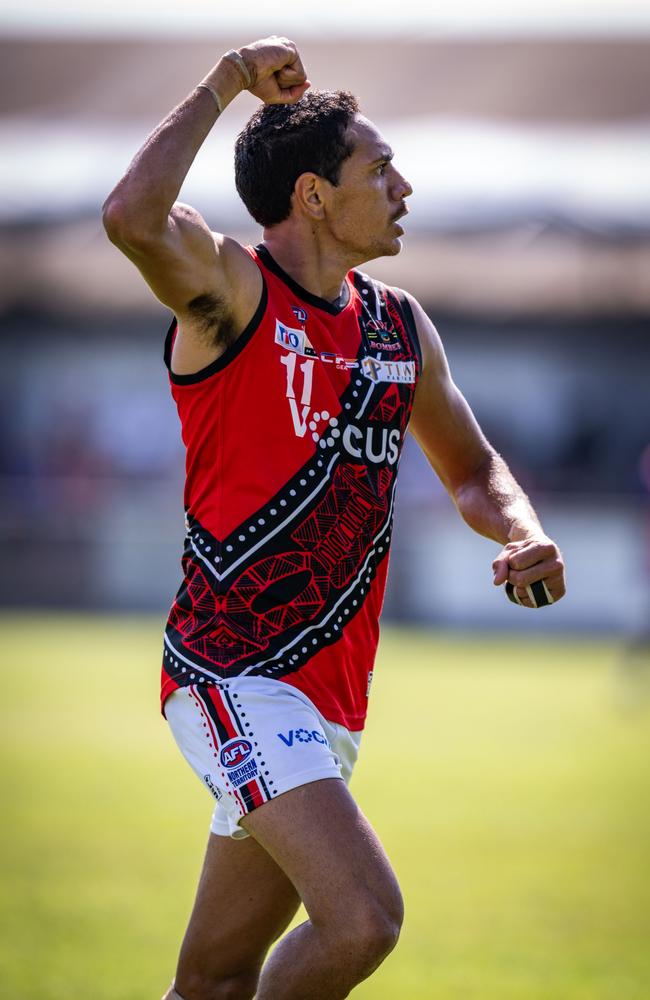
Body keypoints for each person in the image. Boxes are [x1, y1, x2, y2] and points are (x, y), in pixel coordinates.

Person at [102, 36, 566, 1000]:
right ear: (313, 195)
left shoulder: (401, 327)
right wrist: (228, 79)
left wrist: (519, 529)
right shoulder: (233, 292)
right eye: (380, 169)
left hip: (328, 697)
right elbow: (130, 216)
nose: (404, 188)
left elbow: (474, 470)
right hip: (233, 671)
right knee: (363, 919)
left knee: (214, 980)